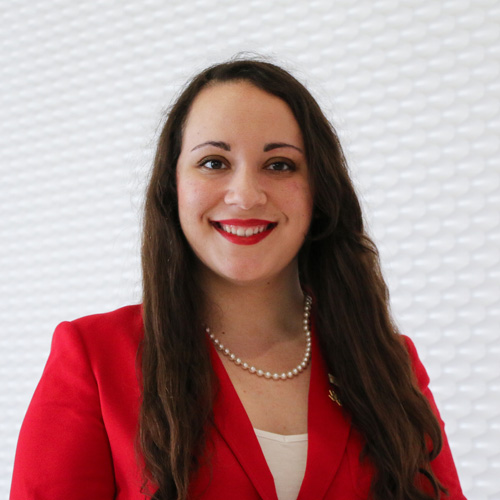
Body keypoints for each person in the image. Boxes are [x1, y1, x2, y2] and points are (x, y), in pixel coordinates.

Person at [10, 58, 467, 500]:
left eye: (280, 164)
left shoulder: (388, 362)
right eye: (213, 162)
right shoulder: (93, 356)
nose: (245, 195)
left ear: (319, 192)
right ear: (173, 188)